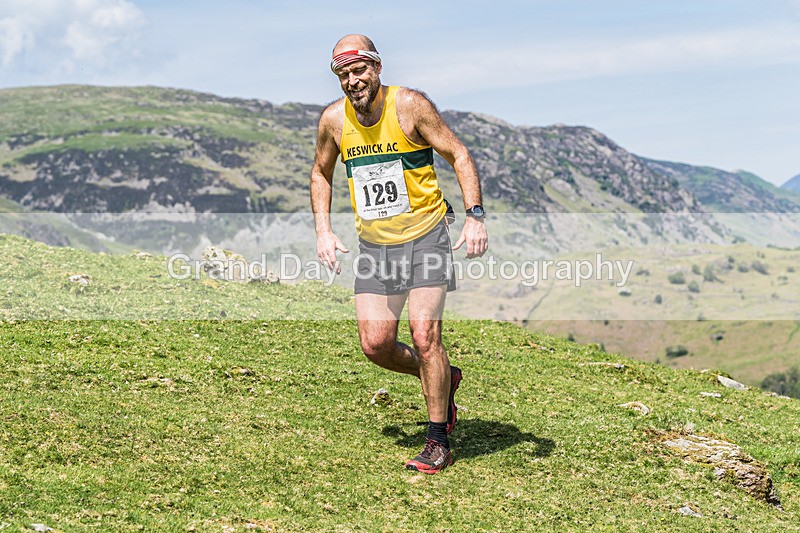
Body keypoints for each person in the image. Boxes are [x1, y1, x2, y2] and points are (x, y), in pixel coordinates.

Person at [310, 34, 488, 474]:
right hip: (376, 246)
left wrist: (475, 215)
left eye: (359, 70)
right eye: (343, 74)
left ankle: (437, 441)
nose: (353, 81)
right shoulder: (334, 120)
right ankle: (444, 378)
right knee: (376, 345)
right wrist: (323, 231)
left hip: (427, 235)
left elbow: (458, 154)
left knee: (425, 336)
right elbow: (320, 172)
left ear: (377, 67)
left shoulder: (409, 105)